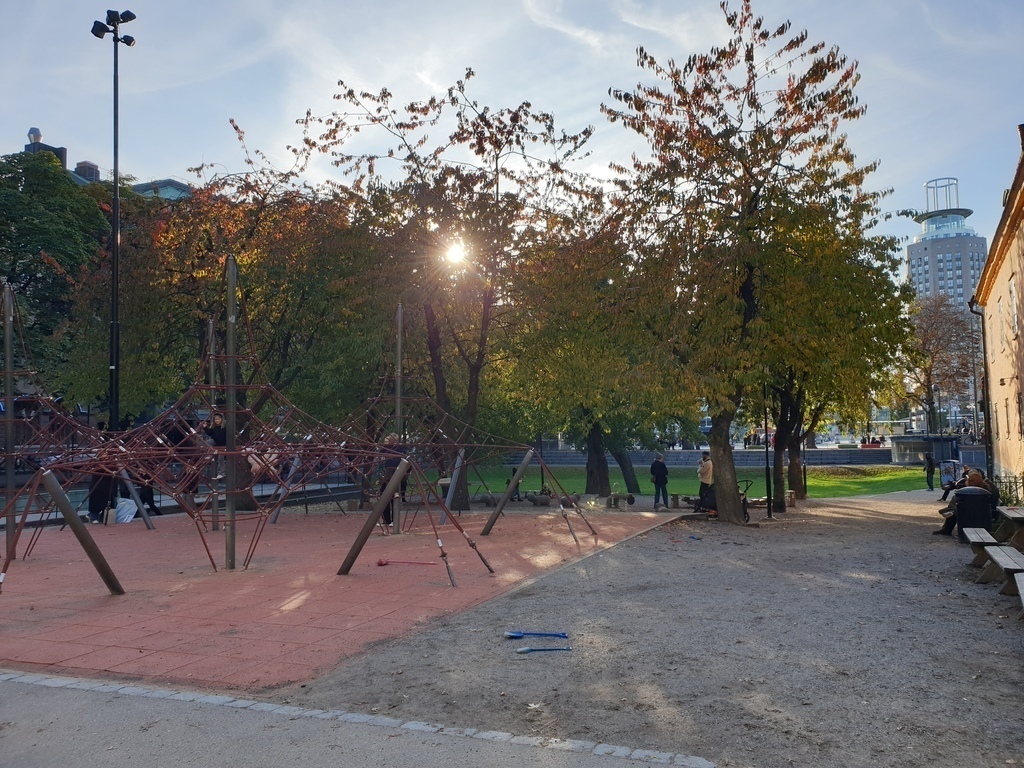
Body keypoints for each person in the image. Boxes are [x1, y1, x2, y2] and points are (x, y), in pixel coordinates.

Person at [933, 470, 990, 536]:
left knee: (955, 509)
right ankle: (950, 511)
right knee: (955, 508)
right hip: (982, 513)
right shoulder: (986, 490)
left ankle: (949, 512)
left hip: (969, 513)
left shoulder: (969, 492)